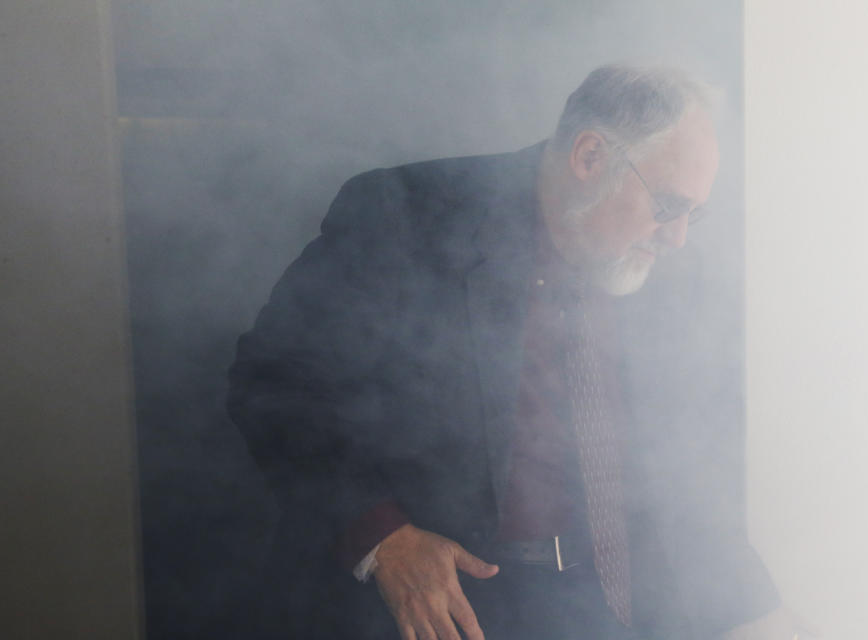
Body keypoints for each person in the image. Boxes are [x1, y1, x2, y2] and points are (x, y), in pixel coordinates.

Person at [227, 65, 803, 639]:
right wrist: (383, 538)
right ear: (590, 157)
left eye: (693, 215)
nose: (677, 237)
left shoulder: (669, 272)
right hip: (447, 606)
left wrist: (755, 611)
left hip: (611, 605)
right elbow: (274, 384)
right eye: (668, 205)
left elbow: (687, 469)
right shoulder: (406, 214)